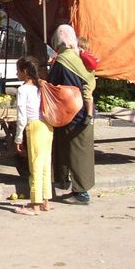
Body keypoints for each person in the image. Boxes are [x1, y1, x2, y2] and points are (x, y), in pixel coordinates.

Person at [48, 25, 96, 205]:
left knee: (76, 153)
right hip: (86, 112)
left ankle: (81, 193)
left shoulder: (61, 61)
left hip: (72, 113)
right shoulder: (79, 58)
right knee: (80, 151)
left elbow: (52, 84)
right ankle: (75, 187)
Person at [14, 56, 54, 215]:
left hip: (34, 126)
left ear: (24, 72)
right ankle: (46, 201)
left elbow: (22, 116)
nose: (17, 74)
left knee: (35, 166)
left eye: (18, 71)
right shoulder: (41, 86)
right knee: (45, 164)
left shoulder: (23, 90)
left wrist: (18, 137)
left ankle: (35, 204)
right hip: (47, 126)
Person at [77, 36, 99, 124]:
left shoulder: (86, 55)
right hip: (86, 79)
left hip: (88, 80)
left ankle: (89, 114)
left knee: (87, 94)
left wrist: (83, 55)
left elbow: (94, 64)